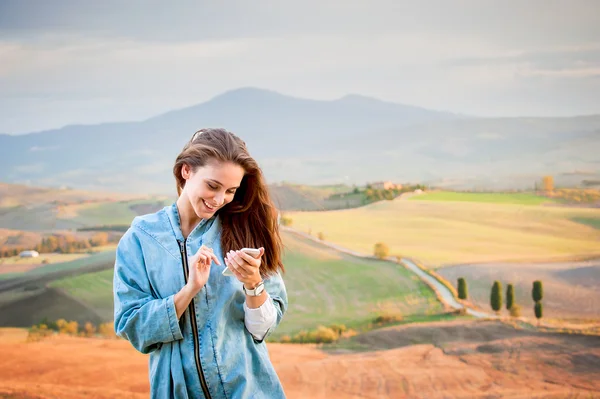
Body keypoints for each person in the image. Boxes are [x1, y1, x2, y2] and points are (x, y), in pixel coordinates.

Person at [113, 128, 288, 398]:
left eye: (230, 190)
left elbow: (262, 329)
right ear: (186, 171)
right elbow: (131, 325)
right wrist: (189, 290)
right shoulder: (141, 238)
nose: (219, 200)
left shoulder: (245, 231)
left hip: (248, 390)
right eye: (212, 186)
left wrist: (253, 283)